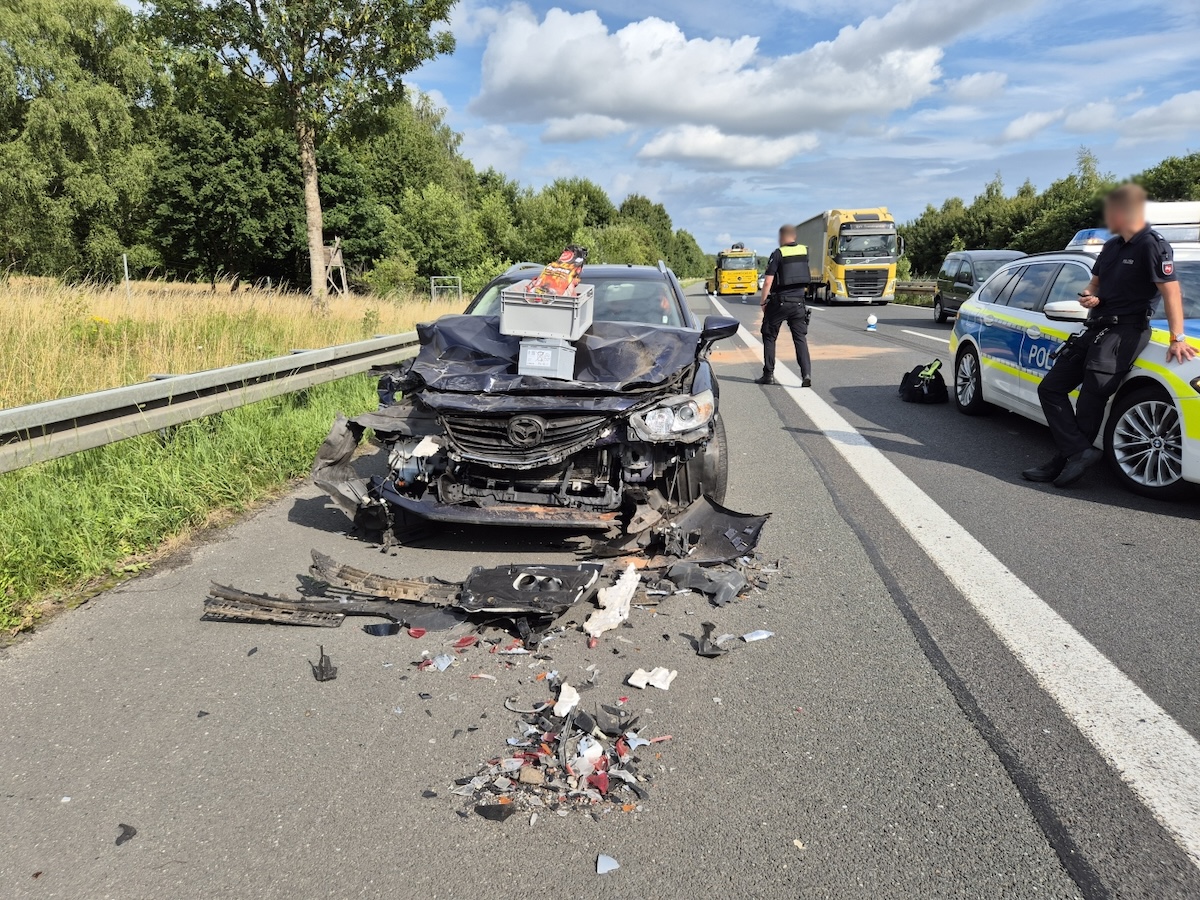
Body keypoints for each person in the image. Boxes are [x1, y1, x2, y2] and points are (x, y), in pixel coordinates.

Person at [1023, 183, 1196, 488]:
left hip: (1126, 331)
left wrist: (1177, 337)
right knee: (1051, 387)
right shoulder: (1112, 246)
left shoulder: (1152, 244)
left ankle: (1063, 463)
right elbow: (1094, 284)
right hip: (1096, 327)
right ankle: (1078, 452)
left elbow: (1171, 292)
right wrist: (1088, 296)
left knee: (1091, 400)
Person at [757, 225, 812, 387]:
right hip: (799, 302)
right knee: (800, 338)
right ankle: (806, 374)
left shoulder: (778, 253)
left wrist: (763, 301)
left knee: (769, 335)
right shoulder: (804, 251)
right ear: (794, 236)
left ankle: (768, 374)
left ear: (782, 237)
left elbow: (768, 281)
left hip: (780, 301)